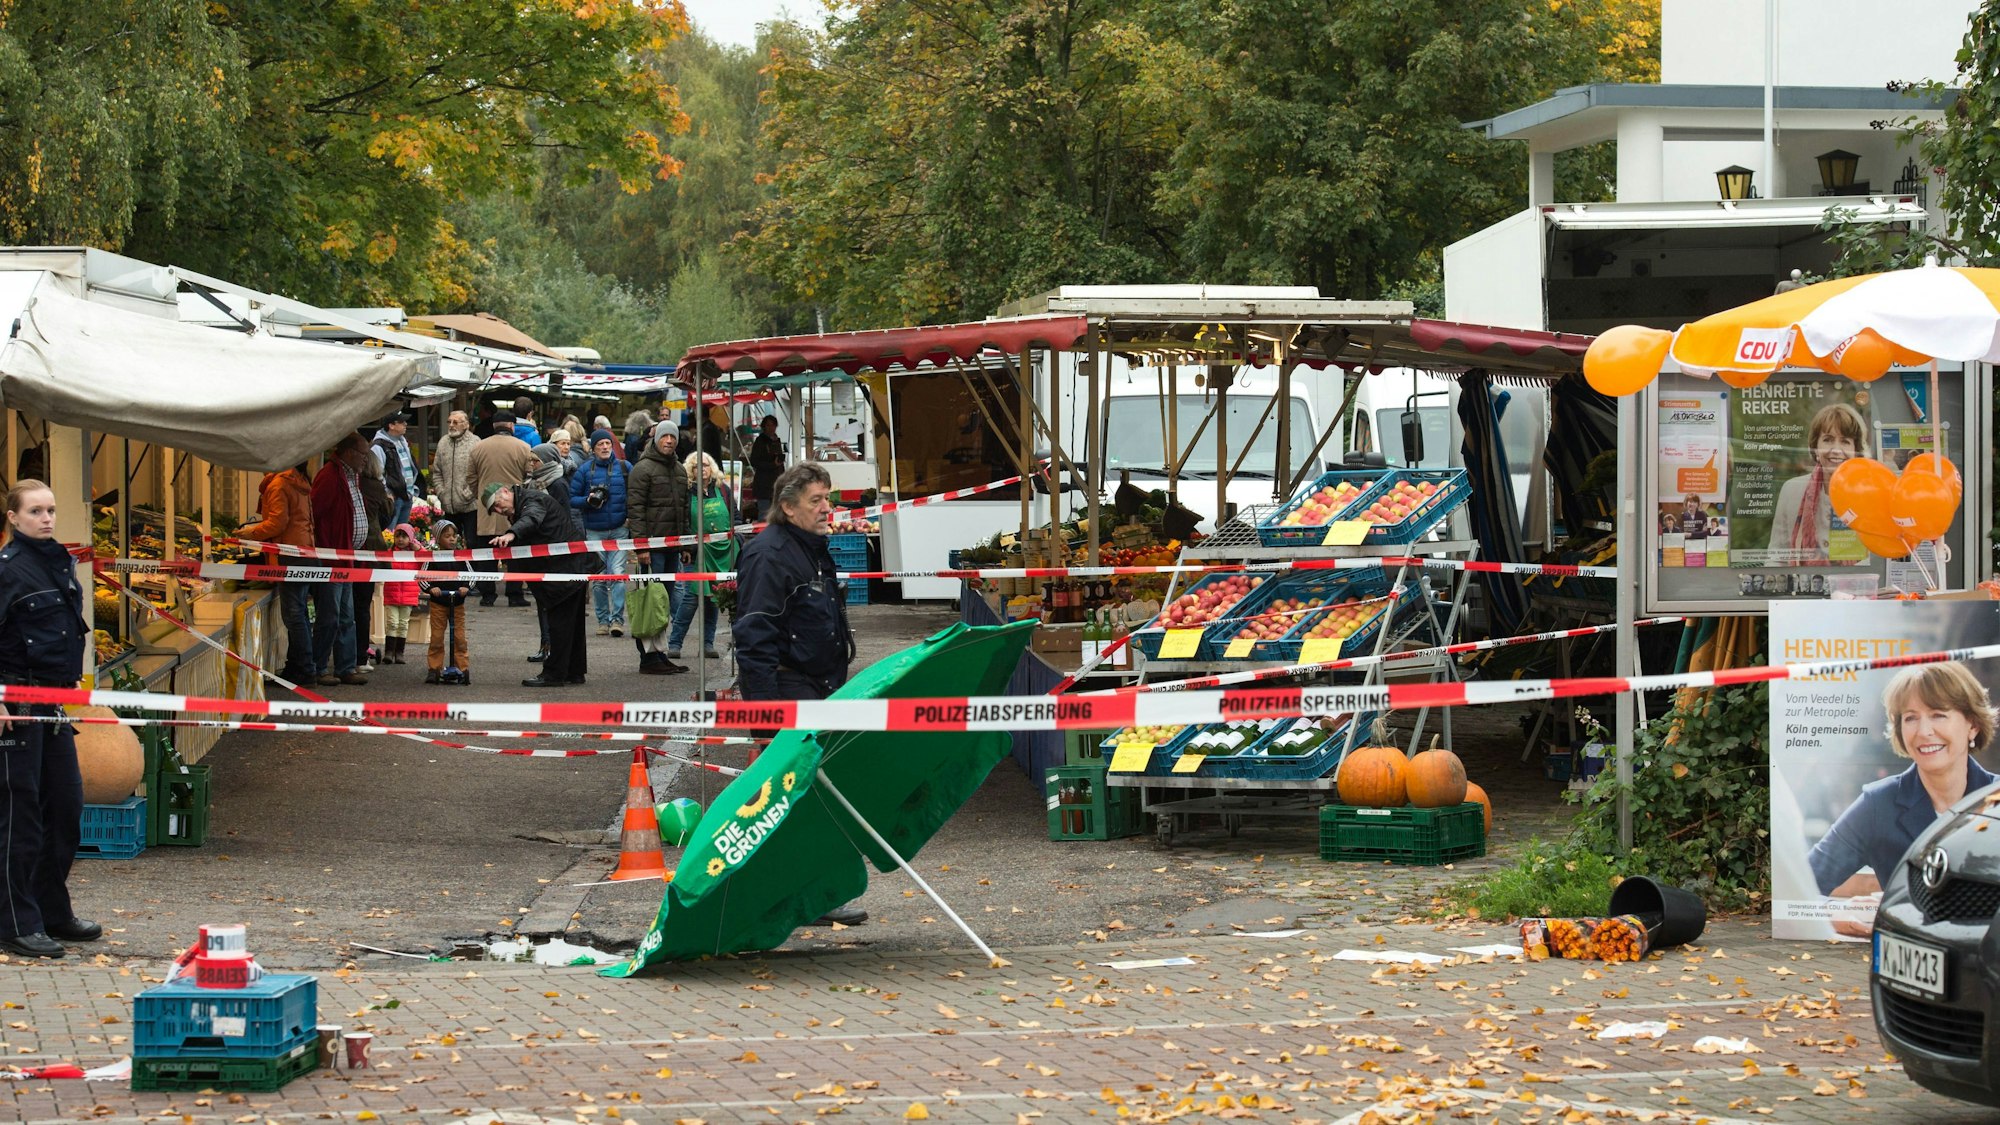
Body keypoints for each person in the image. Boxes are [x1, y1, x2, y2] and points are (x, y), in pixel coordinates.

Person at [731, 463, 865, 928]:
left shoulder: (811, 548)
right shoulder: (769, 555)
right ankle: (771, 897)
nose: (827, 508)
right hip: (789, 689)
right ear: (787, 507)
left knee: (813, 798)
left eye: (827, 497)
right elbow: (754, 639)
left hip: (820, 686)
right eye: (815, 500)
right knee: (788, 801)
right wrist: (766, 723)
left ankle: (810, 894)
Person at [1809, 661, 1999, 936]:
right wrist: (1830, 911)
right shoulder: (1877, 804)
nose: (1923, 731)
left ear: (1972, 725)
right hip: (1902, 963)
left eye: (1938, 714)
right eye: (1910, 718)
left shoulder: (1996, 800)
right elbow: (1801, 887)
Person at [0, 479, 99, 958]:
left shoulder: (59, 562)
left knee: (66, 808)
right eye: (35, 511)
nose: (46, 518)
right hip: (14, 709)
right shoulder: (8, 571)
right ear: (13, 518)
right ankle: (16, 921)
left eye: (51, 510)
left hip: (52, 705)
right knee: (20, 818)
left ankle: (50, 908)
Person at [484, 482, 598, 687]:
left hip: (565, 570)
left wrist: (511, 534)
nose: (500, 511)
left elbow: (532, 519)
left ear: (505, 492)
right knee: (572, 624)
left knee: (560, 624)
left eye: (499, 505)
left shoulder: (531, 500)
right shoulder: (524, 503)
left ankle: (554, 674)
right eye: (496, 511)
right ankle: (574, 671)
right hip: (571, 567)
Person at [235, 462, 318, 685]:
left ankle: (306, 670)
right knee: (298, 612)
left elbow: (277, 523)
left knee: (293, 615)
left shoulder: (279, 484)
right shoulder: (299, 481)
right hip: (304, 550)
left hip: (288, 553)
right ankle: (297, 667)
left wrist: (251, 532)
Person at [627, 421, 692, 674]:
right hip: (651, 549)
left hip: (672, 547)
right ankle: (647, 657)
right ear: (656, 439)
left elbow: (684, 511)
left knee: (663, 601)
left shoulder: (679, 469)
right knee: (649, 601)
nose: (669, 441)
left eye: (673, 437)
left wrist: (686, 544)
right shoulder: (642, 469)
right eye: (664, 436)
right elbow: (636, 510)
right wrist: (641, 546)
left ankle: (659, 652)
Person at [308, 434, 372, 686]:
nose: (366, 459)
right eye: (362, 453)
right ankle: (320, 667)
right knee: (330, 616)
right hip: (332, 558)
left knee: (346, 616)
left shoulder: (351, 475)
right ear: (347, 453)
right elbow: (317, 513)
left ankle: (345, 666)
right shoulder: (330, 476)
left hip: (347, 558)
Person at [1767, 401, 1865, 563]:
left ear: (1855, 450)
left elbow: (1873, 561)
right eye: (1828, 439)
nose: (1836, 450)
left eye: (1845, 441)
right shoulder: (1791, 490)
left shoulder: (1867, 494)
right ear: (1815, 447)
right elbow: (1776, 557)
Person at [668, 451, 738, 660]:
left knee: (713, 599)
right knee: (692, 597)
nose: (703, 469)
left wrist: (738, 541)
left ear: (712, 468)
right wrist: (686, 548)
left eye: (706, 465)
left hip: (721, 552)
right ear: (691, 470)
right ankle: (675, 643)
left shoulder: (722, 490)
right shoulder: (687, 492)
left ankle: (708, 644)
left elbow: (736, 517)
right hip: (696, 552)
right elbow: (682, 522)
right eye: (698, 466)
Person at [469, 411, 536, 607]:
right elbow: (530, 477)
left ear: (494, 426)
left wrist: (482, 496)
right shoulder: (524, 447)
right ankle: (515, 594)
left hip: (487, 510)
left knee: (485, 554)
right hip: (513, 510)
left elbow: (470, 478)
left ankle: (487, 595)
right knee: (515, 555)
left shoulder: (478, 447)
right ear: (512, 426)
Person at [572, 429, 633, 637]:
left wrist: (629, 518)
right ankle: (602, 621)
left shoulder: (625, 468)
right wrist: (587, 501)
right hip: (594, 531)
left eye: (608, 443)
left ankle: (617, 620)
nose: (605, 447)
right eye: (600, 444)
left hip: (619, 530)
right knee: (598, 578)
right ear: (594, 448)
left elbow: (635, 495)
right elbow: (571, 498)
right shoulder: (583, 471)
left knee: (616, 573)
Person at [354, 449, 395, 673]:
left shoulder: (354, 484)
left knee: (349, 605)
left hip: (351, 551)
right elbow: (386, 517)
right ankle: (361, 654)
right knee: (362, 604)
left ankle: (354, 653)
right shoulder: (375, 486)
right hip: (370, 551)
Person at [421, 520, 473, 684]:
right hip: (439, 603)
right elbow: (422, 577)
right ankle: (434, 668)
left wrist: (466, 587)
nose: (451, 539)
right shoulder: (432, 557)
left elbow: (471, 576)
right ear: (438, 538)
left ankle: (462, 668)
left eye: (454, 536)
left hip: (457, 603)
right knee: (436, 637)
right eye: (447, 536)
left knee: (460, 638)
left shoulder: (461, 557)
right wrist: (431, 588)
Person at [430, 409, 480, 540]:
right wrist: (442, 493)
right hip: (448, 506)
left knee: (472, 542)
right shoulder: (443, 442)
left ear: (466, 424)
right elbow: (437, 472)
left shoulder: (475, 443)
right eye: (449, 422)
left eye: (455, 422)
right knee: (449, 545)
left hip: (470, 506)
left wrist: (467, 495)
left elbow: (480, 473)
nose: (451, 425)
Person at [380, 523, 422, 665]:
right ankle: (389, 652)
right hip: (391, 594)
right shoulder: (390, 553)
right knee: (392, 622)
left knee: (403, 624)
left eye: (404, 536)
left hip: (409, 595)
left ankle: (399, 653)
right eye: (398, 536)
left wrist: (420, 549)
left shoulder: (416, 554)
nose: (400, 539)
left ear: (410, 538)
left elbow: (427, 561)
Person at [370, 410, 418, 532]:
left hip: (407, 496)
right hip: (394, 498)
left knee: (403, 536)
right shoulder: (378, 446)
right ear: (391, 425)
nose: (405, 424)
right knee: (390, 535)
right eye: (401, 422)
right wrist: (387, 494)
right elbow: (377, 474)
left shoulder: (402, 442)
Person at [749, 415, 785, 520]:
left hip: (776, 482)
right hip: (764, 484)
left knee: (777, 514)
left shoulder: (776, 440)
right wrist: (772, 465)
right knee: (764, 514)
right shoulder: (760, 441)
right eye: (768, 425)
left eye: (773, 425)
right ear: (764, 426)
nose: (771, 428)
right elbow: (754, 461)